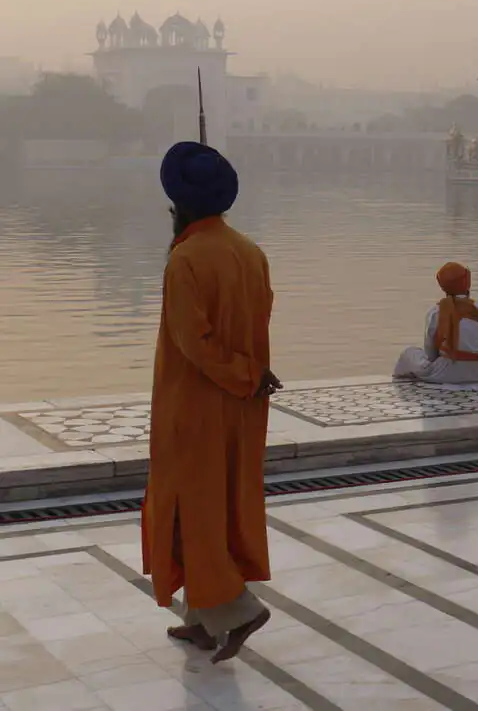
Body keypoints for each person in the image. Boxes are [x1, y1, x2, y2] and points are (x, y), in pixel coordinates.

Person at [141, 141, 282, 664]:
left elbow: (192, 340)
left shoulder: (186, 258)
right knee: (215, 505)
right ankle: (201, 620)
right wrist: (251, 376)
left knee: (187, 508)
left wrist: (244, 373)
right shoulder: (249, 250)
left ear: (179, 206)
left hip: (198, 403)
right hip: (242, 405)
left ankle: (237, 609)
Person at [393, 262, 478, 385]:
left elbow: (431, 355)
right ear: (467, 283)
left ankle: (401, 384)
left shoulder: (435, 312)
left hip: (445, 375)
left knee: (409, 353)